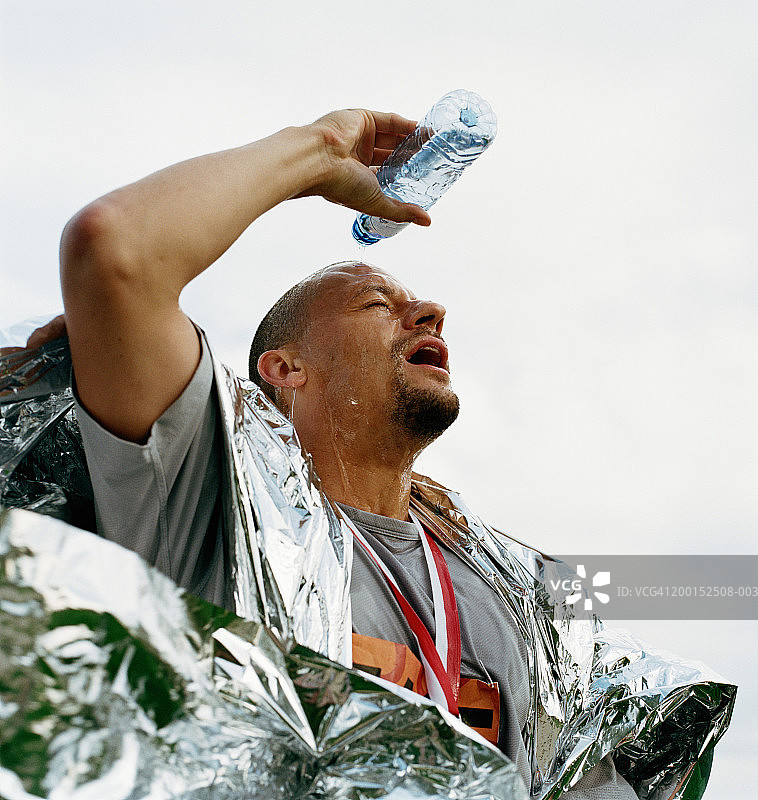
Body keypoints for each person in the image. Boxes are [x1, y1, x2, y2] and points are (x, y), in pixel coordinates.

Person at [56, 107, 638, 798]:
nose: (429, 313)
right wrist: (319, 150)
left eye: (418, 304)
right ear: (286, 369)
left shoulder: (512, 589)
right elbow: (114, 247)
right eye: (376, 304)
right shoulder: (201, 502)